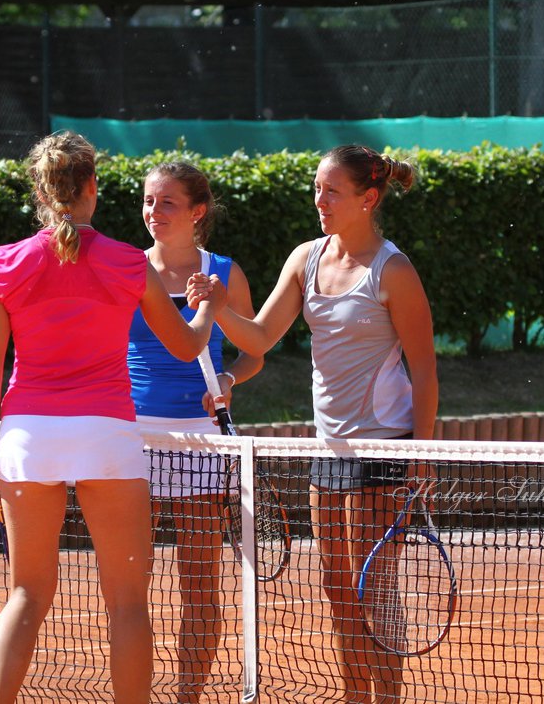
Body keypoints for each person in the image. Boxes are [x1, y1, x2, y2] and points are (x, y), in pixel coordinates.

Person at [0, 132, 224, 704]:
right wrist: (207, 304)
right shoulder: (129, 262)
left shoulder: (6, 262)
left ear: (40, 189)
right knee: (128, 602)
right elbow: (186, 347)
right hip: (108, 435)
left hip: (28, 438)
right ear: (91, 188)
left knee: (26, 595)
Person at [190, 145, 437, 704]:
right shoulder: (306, 258)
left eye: (332, 192)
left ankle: (388, 698)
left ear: (368, 199)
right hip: (327, 449)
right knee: (334, 585)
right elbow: (257, 337)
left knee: (373, 587)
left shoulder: (393, 271)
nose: (319, 201)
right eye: (316, 189)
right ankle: (355, 695)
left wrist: (423, 452)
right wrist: (221, 309)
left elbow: (424, 369)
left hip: (384, 448)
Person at [125, 161, 263, 703]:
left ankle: (188, 698)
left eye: (167, 203)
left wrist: (228, 376)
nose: (153, 212)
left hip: (201, 444)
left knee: (200, 590)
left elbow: (255, 351)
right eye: (148, 201)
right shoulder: (127, 269)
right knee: (128, 588)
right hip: (131, 441)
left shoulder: (225, 272)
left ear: (197, 211)